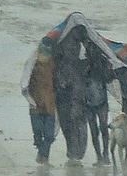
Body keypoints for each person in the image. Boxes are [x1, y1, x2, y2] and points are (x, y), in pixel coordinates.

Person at [53, 26, 89, 164]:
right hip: (71, 90)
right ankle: (76, 151)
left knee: (69, 122)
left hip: (67, 90)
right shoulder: (80, 49)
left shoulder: (61, 43)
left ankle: (74, 151)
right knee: (75, 121)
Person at [26, 52, 58, 166]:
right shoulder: (32, 65)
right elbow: (25, 83)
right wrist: (30, 100)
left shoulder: (53, 65)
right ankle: (44, 157)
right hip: (37, 105)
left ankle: (43, 156)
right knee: (38, 134)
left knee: (49, 135)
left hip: (50, 105)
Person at [83, 56, 111, 165]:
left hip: (98, 102)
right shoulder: (85, 64)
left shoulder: (102, 62)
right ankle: (101, 155)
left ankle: (104, 154)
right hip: (91, 102)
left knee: (101, 129)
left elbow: (109, 78)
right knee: (96, 130)